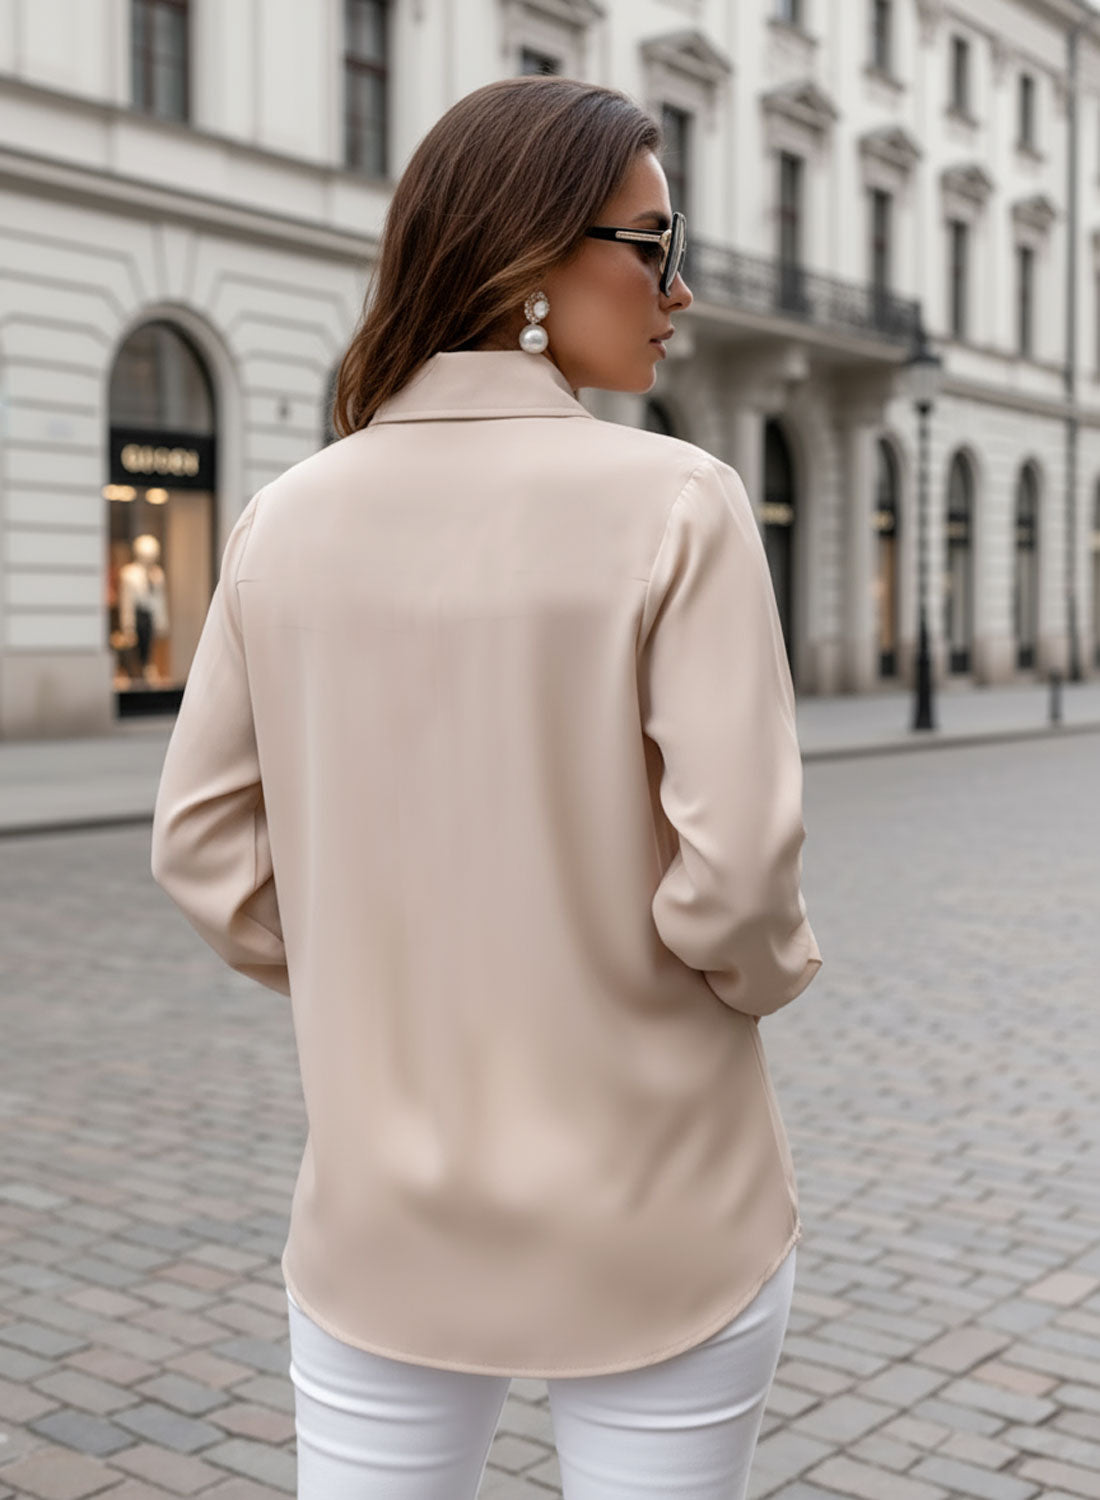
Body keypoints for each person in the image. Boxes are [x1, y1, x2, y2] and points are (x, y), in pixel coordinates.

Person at [150, 74, 822, 1500]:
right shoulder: (678, 503)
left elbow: (203, 849)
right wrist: (756, 979)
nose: (681, 287)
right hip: (658, 1202)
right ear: (530, 257)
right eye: (652, 242)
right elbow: (743, 887)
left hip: (385, 1206)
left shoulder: (287, 517)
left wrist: (378, 967)